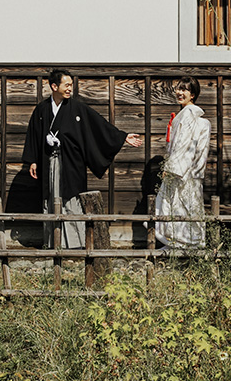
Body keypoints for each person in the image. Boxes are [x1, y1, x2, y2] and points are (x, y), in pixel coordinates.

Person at [21, 68, 143, 249]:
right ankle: (52, 242)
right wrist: (33, 160)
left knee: (71, 199)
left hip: (71, 163)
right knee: (51, 198)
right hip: (49, 162)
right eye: (67, 85)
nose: (70, 88)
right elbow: (34, 135)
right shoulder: (42, 110)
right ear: (54, 86)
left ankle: (74, 244)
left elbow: (99, 125)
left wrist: (122, 136)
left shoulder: (78, 108)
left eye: (71, 85)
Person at [154, 75, 211, 249]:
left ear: (192, 94)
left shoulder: (188, 115)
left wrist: (172, 168)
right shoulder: (190, 117)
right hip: (190, 171)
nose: (180, 92)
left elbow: (184, 145)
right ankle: (186, 245)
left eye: (185, 89)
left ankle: (179, 245)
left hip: (181, 170)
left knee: (177, 205)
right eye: (179, 88)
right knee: (186, 206)